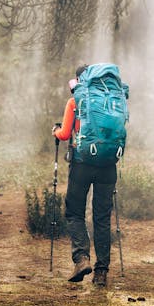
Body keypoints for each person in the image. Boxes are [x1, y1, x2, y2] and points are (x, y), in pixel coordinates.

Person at [51, 64, 118, 287]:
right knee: (101, 218)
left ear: (79, 81)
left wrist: (55, 131)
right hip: (108, 165)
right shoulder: (111, 101)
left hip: (82, 165)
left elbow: (64, 134)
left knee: (74, 212)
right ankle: (101, 273)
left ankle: (81, 259)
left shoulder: (75, 101)